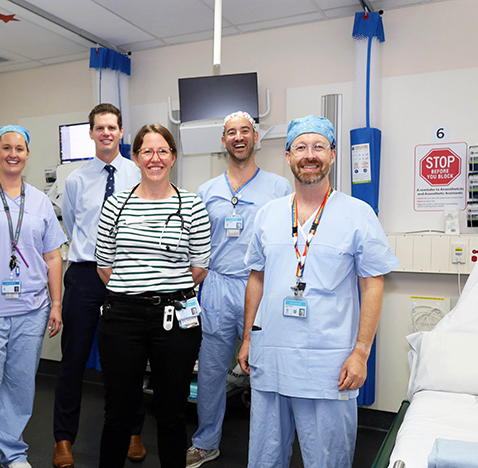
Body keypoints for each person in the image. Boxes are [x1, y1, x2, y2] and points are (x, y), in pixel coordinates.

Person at [237, 115, 400, 468]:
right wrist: (248, 338)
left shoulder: (358, 214)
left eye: (318, 147)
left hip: (328, 363)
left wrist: (361, 352)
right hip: (272, 356)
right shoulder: (268, 214)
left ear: (333, 155)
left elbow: (372, 284)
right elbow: (257, 278)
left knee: (328, 458)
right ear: (287, 155)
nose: (309, 155)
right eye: (301, 147)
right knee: (265, 456)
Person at [96, 123, 211, 468]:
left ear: (173, 157)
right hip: (122, 318)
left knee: (172, 411)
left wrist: (163, 290)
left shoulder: (191, 205)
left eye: (162, 151)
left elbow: (199, 267)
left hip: (175, 320)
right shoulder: (116, 205)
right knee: (117, 410)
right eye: (147, 151)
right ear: (135, 157)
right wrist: (137, 289)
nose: (155, 158)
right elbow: (104, 266)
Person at [186, 111, 292, 468]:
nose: (238, 137)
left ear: (256, 136)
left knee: (262, 369)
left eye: (245, 130)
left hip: (258, 286)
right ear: (224, 141)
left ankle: (266, 451)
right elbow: (197, 244)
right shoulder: (207, 190)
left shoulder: (278, 188)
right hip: (216, 287)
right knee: (212, 372)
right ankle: (206, 442)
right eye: (231, 132)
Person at [0, 125, 67, 468]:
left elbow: (53, 256)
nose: (13, 154)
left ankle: (14, 452)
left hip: (31, 308)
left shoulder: (40, 202)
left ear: (28, 154)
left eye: (19, 148)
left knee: (20, 386)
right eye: (6, 148)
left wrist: (56, 305)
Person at [53, 103, 143, 468]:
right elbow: (74, 226)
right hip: (86, 273)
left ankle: (132, 431)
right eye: (99, 128)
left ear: (121, 132)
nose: (106, 133)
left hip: (127, 275)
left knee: (128, 359)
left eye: (112, 127)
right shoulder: (75, 179)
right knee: (72, 359)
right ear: (91, 134)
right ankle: (62, 439)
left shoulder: (138, 174)